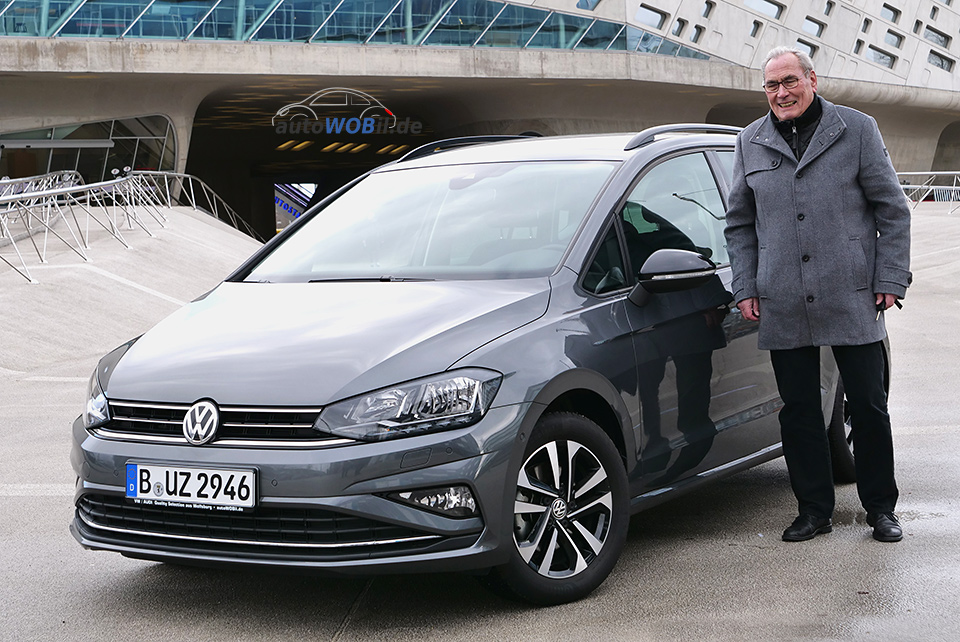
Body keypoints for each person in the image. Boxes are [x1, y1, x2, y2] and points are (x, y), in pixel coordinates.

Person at [724, 46, 912, 543]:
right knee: (800, 410)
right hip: (782, 296)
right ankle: (813, 511)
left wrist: (890, 279)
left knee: (868, 407)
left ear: (812, 78)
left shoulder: (857, 129)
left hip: (854, 293)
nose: (781, 93)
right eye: (771, 86)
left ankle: (880, 509)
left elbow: (893, 210)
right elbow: (739, 224)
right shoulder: (750, 141)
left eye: (789, 81)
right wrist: (746, 285)